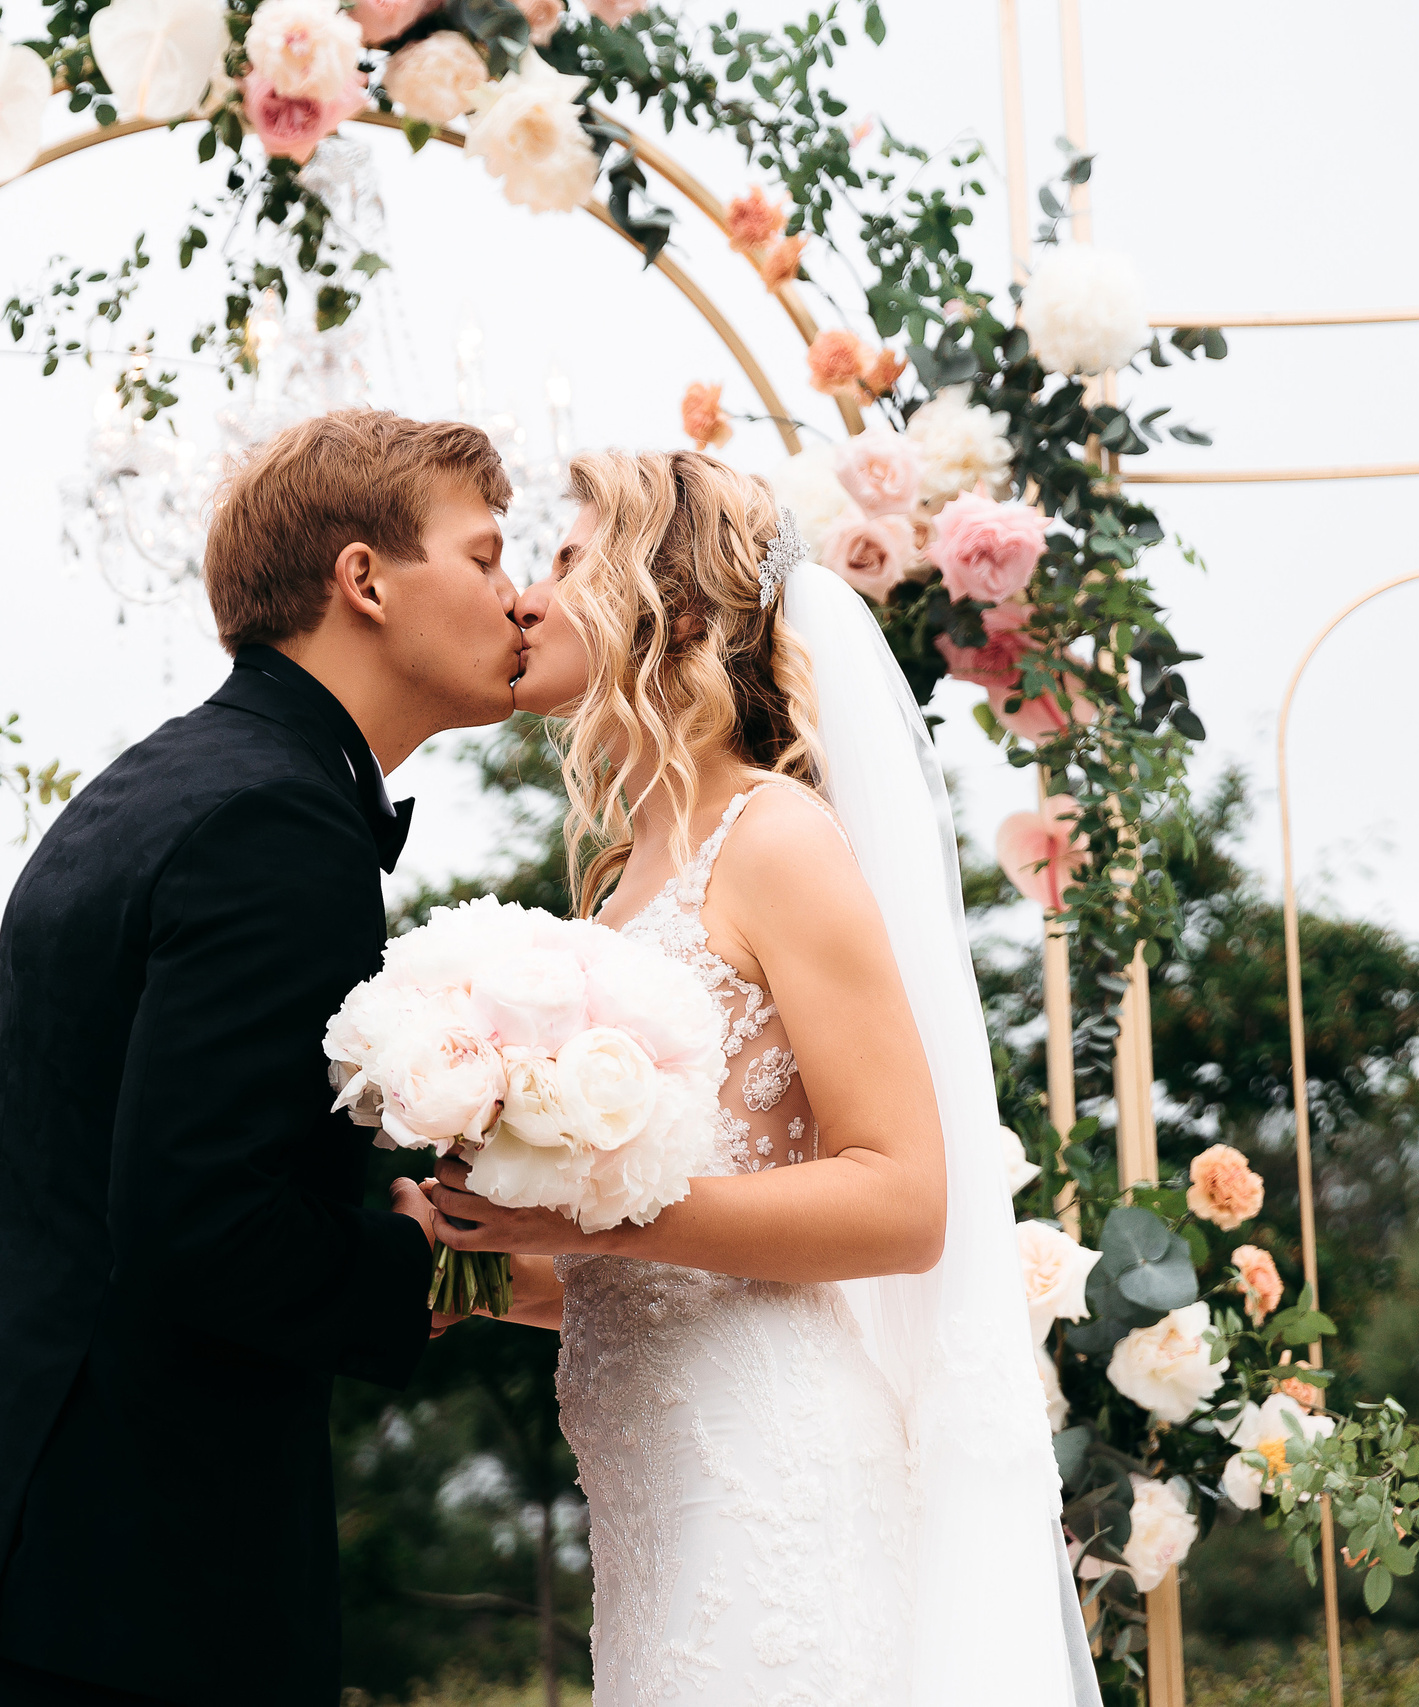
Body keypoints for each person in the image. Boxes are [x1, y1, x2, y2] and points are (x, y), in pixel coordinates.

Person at [422, 450, 1100, 1706]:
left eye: (566, 561)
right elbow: (652, 1266)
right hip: (655, 1503)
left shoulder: (774, 837)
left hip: (772, 1477)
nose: (524, 596)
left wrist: (593, 1214)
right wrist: (469, 1249)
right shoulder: (625, 870)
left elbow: (900, 1204)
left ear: (667, 604)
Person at [0, 409, 525, 1706]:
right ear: (367, 580)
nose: (522, 600)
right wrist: (447, 1262)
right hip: (134, 1592)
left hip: (16, 1550)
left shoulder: (161, 782)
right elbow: (203, 1223)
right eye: (490, 554)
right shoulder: (281, 823)